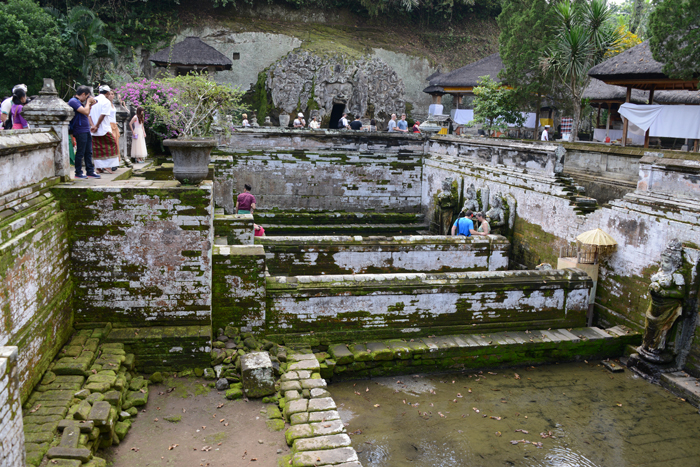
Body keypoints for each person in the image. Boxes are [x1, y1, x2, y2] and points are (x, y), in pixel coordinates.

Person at [68, 86, 100, 179]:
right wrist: (88, 103)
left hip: (86, 129)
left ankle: (90, 171)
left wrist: (90, 104)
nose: (87, 98)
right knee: (80, 152)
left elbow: (87, 111)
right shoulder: (73, 101)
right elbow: (86, 112)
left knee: (88, 152)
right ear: (83, 94)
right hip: (79, 130)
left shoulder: (79, 103)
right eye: (87, 96)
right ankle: (78, 172)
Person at [90, 85, 120, 174]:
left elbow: (88, 115)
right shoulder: (106, 102)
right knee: (112, 146)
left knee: (97, 148)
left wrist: (92, 126)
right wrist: (97, 125)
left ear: (99, 92)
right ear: (107, 93)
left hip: (93, 129)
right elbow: (103, 115)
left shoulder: (92, 100)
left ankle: (98, 168)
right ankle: (107, 166)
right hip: (104, 128)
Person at [107, 91, 121, 170]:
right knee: (111, 144)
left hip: (114, 125)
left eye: (112, 94)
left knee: (116, 144)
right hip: (109, 125)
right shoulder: (106, 104)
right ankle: (110, 163)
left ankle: (115, 162)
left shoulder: (113, 105)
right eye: (109, 94)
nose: (110, 96)